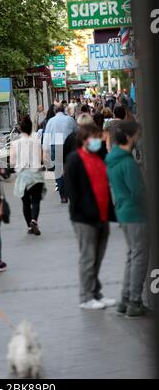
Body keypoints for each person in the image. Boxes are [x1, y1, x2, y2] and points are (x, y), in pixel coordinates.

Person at [65, 124, 116, 310]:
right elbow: (73, 191)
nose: (98, 140)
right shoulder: (75, 160)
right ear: (85, 139)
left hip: (102, 216)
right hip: (85, 218)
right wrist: (85, 211)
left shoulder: (98, 157)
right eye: (95, 137)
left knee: (97, 257)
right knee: (88, 257)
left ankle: (95, 292)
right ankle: (86, 296)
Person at [105, 121, 149, 318]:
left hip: (123, 211)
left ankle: (125, 299)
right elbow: (139, 192)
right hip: (136, 214)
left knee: (132, 257)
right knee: (139, 259)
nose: (139, 139)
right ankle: (134, 301)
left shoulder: (113, 160)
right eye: (138, 135)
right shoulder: (128, 163)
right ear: (130, 137)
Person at [10, 116, 45, 236]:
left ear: (20, 129)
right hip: (36, 175)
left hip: (23, 176)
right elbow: (41, 159)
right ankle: (34, 220)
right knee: (35, 201)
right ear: (31, 129)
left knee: (25, 203)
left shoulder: (15, 143)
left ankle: (29, 226)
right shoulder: (36, 142)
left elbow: (12, 162)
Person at [43, 104, 77, 203]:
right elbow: (76, 132)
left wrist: (45, 151)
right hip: (68, 144)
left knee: (58, 170)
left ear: (55, 111)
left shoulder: (51, 121)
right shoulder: (70, 120)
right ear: (64, 110)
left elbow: (47, 136)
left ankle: (63, 195)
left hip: (55, 145)